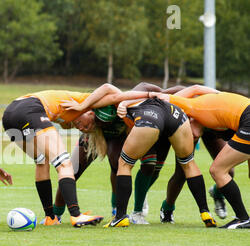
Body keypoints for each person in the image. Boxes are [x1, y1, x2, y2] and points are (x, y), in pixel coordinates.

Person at [64, 85, 219, 228]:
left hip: (149, 117)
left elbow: (106, 88)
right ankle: (205, 212)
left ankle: (120, 216)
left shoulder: (116, 102)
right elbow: (189, 89)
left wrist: (82, 105)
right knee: (189, 164)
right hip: (175, 113)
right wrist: (218, 94)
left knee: (124, 164)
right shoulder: (151, 95)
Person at [2, 84, 150, 227]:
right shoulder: (88, 103)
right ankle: (76, 215)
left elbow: (66, 122)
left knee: (41, 162)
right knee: (64, 164)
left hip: (10, 115)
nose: (81, 128)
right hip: (31, 109)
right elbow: (110, 90)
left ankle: (50, 218)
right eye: (82, 124)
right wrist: (150, 95)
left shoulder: (69, 118)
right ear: (90, 112)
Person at [50, 82, 184, 225]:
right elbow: (65, 120)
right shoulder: (86, 119)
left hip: (119, 135)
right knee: (72, 172)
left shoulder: (117, 101)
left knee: (132, 165)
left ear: (90, 112)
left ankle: (127, 210)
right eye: (77, 125)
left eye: (80, 123)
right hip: (94, 137)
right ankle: (55, 215)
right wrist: (80, 108)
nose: (81, 127)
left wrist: (182, 94)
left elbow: (108, 87)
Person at [151, 89, 250, 229]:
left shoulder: (193, 107)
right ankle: (168, 208)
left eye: (186, 128)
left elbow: (161, 97)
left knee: (218, 170)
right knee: (190, 172)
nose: (188, 135)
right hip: (243, 118)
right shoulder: (206, 116)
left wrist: (126, 102)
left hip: (246, 119)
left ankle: (243, 218)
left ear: (190, 119)